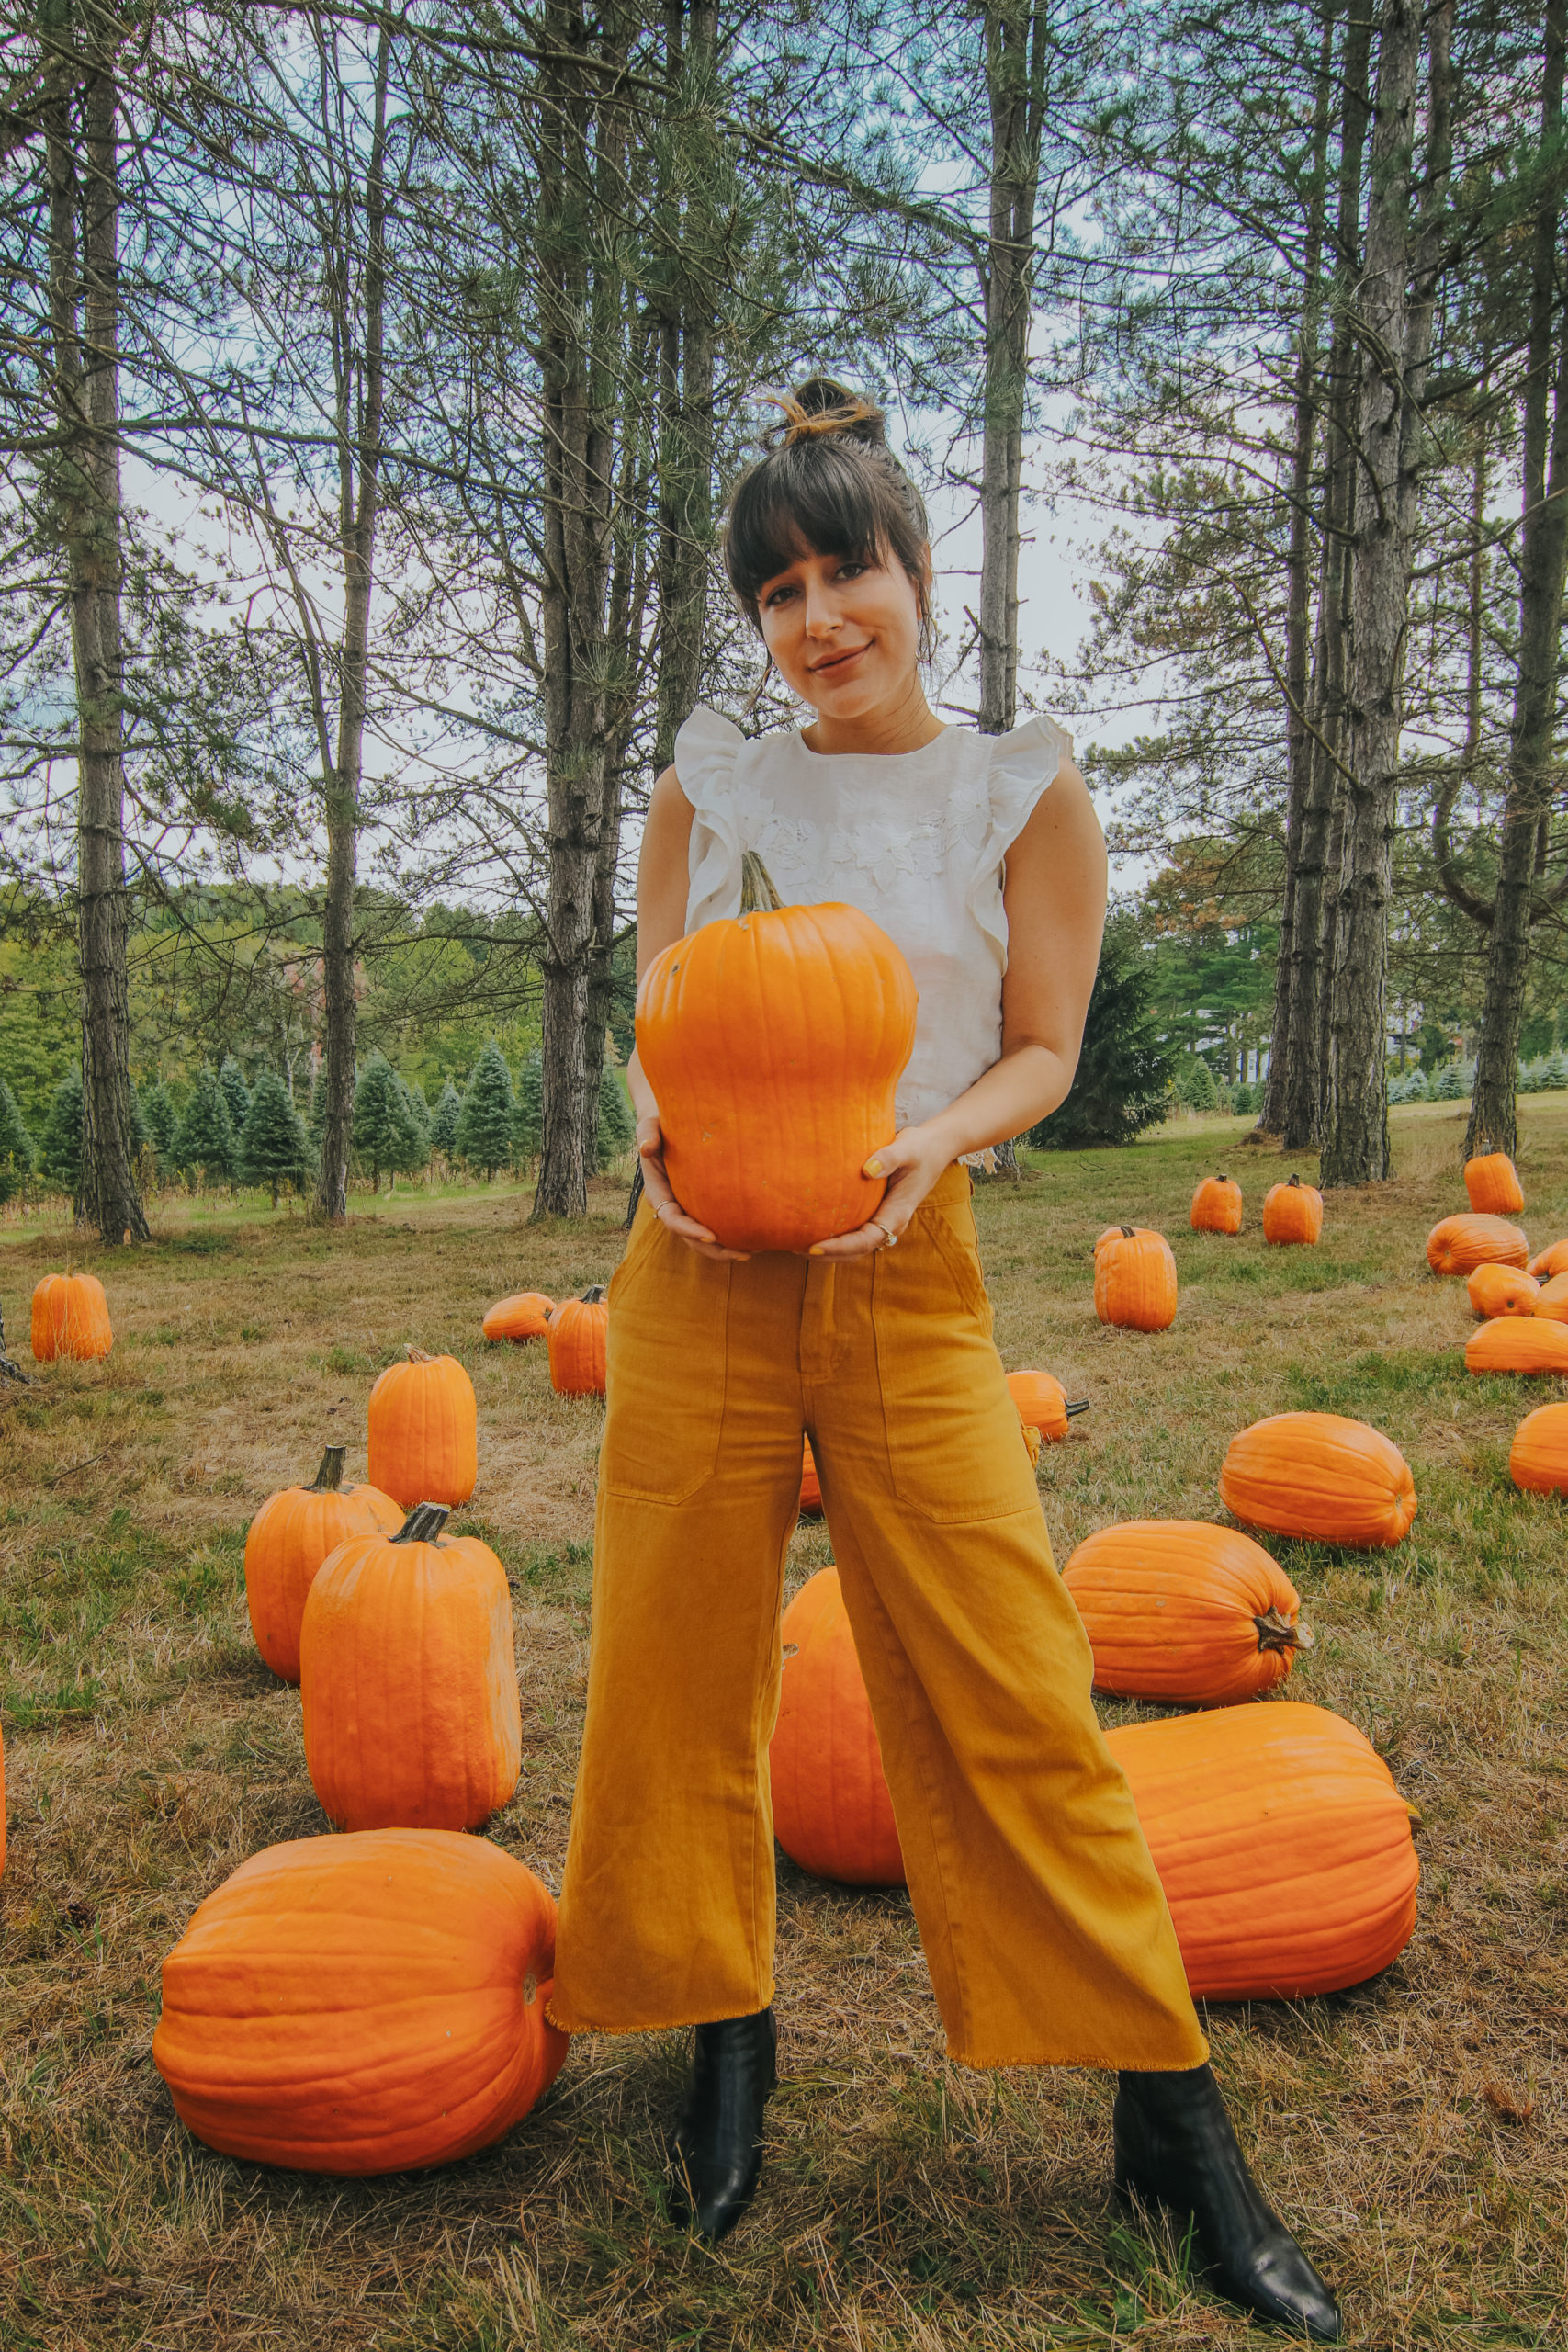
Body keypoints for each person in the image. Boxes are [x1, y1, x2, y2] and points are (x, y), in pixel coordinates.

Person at [548, 379, 1340, 2341]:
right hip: (699, 1269)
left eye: (847, 573)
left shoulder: (1016, 786)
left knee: (1013, 1682)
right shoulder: (721, 773)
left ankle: (1169, 2119)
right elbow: (655, 976)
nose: (816, 619)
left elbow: (1045, 1047)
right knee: (670, 1661)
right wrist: (648, 1102)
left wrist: (938, 1135)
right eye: (778, 590)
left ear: (917, 576)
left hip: (910, 1266)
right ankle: (722, 2029)